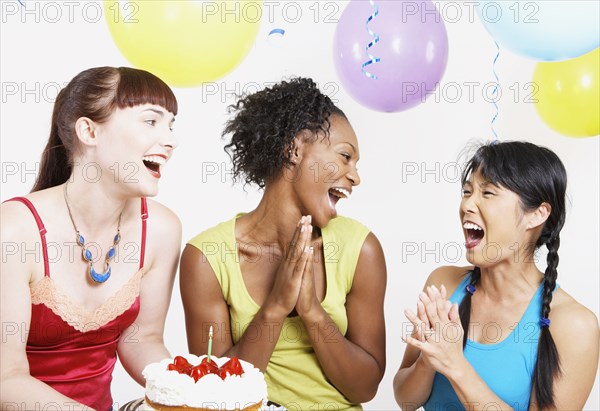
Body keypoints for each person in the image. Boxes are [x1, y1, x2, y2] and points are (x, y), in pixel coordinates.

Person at [180, 78, 386, 410]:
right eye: (345, 157)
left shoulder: (361, 249)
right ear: (295, 149)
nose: (355, 177)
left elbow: (364, 388)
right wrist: (275, 308)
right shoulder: (207, 258)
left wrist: (312, 311)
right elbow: (215, 396)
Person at [0, 67, 181, 410]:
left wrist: (194, 389)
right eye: (151, 121)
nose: (171, 140)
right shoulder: (13, 229)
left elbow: (141, 339)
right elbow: (5, 379)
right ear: (89, 131)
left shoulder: (162, 229)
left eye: (171, 125)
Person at [393, 141, 600, 410]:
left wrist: (456, 366)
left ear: (537, 214)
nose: (468, 204)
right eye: (467, 191)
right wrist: (428, 360)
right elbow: (405, 399)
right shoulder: (443, 283)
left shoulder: (574, 325)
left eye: (488, 193)